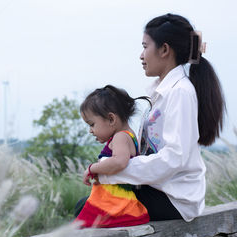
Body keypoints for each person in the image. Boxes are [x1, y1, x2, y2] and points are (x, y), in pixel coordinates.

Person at [76, 13, 226, 222]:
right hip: (160, 191)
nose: (141, 55)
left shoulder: (180, 92)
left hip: (174, 198)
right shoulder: (161, 92)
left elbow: (173, 158)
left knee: (85, 209)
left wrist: (110, 171)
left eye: (145, 46)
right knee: (86, 206)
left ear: (164, 50)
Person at [74, 85, 151, 228]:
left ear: (111, 119)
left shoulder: (120, 137)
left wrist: (92, 168)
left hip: (114, 204)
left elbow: (120, 162)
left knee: (78, 224)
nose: (90, 131)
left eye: (92, 124)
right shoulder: (129, 135)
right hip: (114, 201)